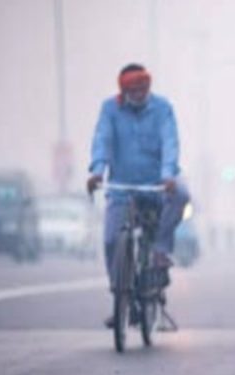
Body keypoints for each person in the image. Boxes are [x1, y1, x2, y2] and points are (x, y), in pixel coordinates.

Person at [87, 63, 190, 328]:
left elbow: (170, 142)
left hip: (156, 185)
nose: (139, 93)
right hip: (121, 188)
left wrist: (168, 174)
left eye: (143, 88)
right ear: (123, 90)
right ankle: (121, 296)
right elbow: (103, 140)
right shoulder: (110, 109)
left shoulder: (162, 108)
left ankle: (160, 249)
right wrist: (97, 171)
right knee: (111, 240)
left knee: (181, 195)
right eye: (134, 89)